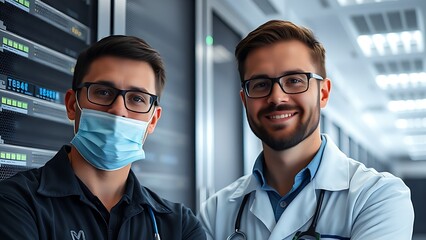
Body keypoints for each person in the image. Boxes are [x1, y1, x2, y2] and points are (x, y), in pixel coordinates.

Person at [199, 20, 414, 240]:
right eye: (260, 84)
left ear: (323, 93)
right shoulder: (216, 211)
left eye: (294, 80)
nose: (276, 97)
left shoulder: (378, 196)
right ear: (245, 100)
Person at [0, 35, 206, 239]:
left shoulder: (180, 227)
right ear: (72, 105)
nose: (118, 110)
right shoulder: (15, 202)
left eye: (137, 98)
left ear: (152, 120)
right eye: (103, 92)